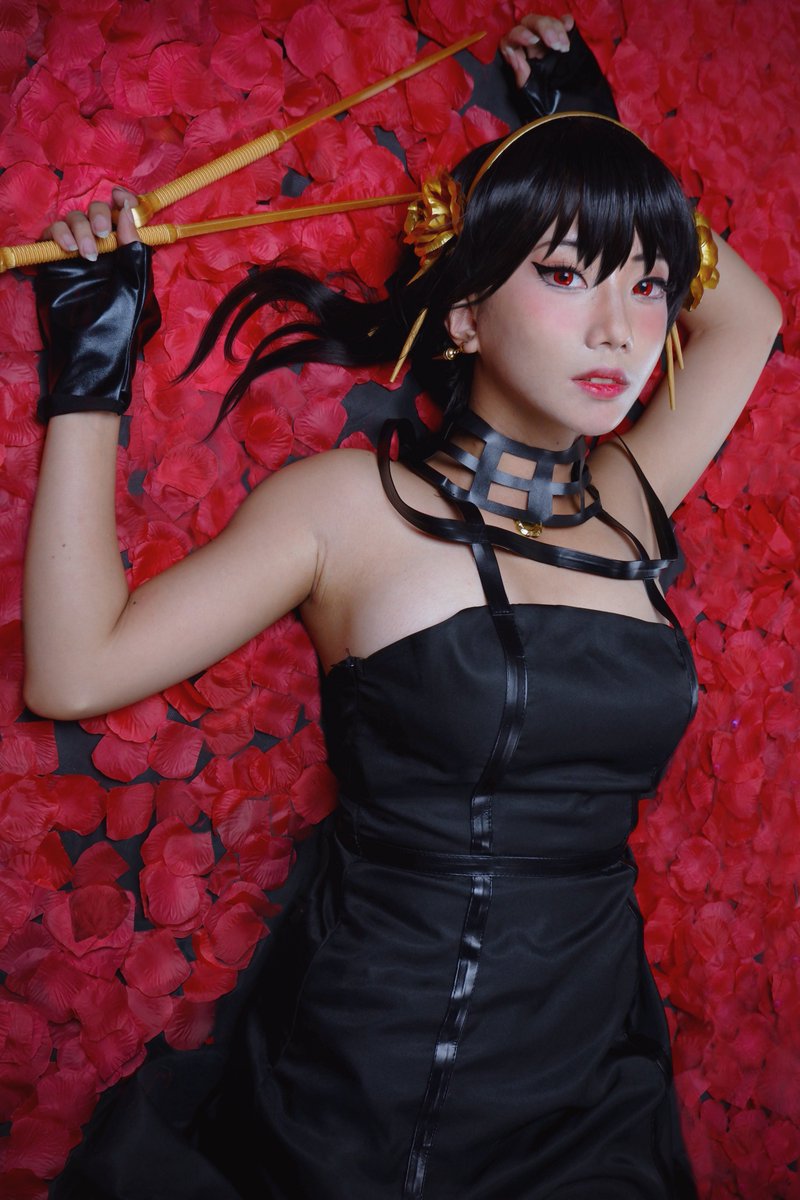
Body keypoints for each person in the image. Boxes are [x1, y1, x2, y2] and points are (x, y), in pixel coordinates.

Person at [25, 12, 780, 1200]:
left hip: (593, 1074)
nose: (618, 328)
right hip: (379, 1075)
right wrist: (89, 372)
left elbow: (747, 315)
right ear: (465, 310)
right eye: (564, 273)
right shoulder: (351, 509)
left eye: (644, 285)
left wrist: (590, 144)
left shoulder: (628, 504)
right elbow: (74, 671)